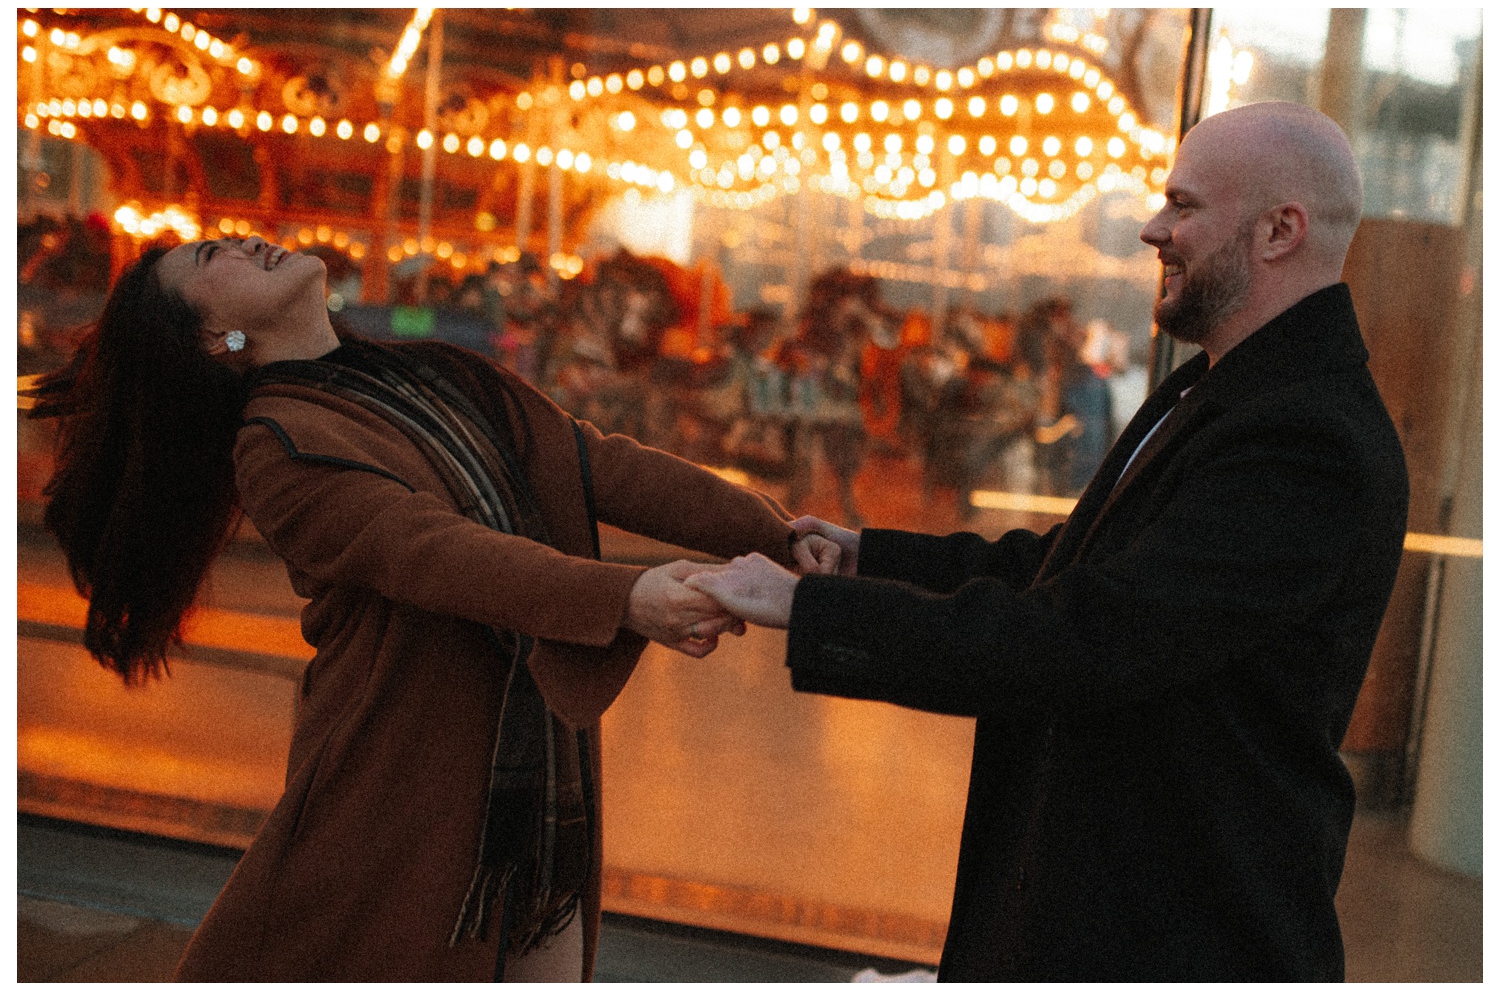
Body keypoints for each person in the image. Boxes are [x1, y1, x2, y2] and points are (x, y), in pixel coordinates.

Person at [687, 101, 1410, 981]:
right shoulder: (1227, 391)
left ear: (1279, 231)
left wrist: (814, 608)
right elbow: (1076, 564)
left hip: (1175, 941)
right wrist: (868, 555)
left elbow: (1090, 637)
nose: (1154, 228)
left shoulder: (1306, 439)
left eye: (1183, 206)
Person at [25, 235, 829, 982]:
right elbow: (424, 549)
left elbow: (599, 465)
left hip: (539, 792)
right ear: (214, 340)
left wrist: (780, 534)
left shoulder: (440, 370)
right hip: (399, 786)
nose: (242, 238)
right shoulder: (275, 443)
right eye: (212, 256)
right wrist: (624, 596)